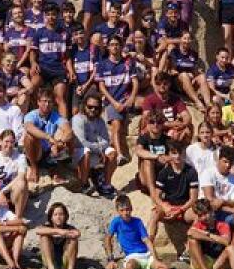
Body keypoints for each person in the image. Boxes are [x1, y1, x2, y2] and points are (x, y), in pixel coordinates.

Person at [105, 195, 182, 269]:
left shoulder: (137, 222)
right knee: (130, 266)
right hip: (132, 256)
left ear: (131, 208)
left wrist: (155, 259)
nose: (125, 213)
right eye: (122, 210)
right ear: (118, 211)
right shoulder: (116, 222)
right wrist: (110, 259)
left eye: (127, 209)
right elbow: (108, 239)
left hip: (145, 255)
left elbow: (147, 241)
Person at [95, 35, 138, 163]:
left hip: (127, 99)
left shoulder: (128, 63)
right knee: (116, 124)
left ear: (121, 46)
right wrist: (114, 103)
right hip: (112, 100)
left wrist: (131, 98)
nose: (115, 47)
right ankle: (119, 155)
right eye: (112, 44)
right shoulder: (102, 65)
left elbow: (135, 82)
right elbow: (101, 87)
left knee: (146, 105)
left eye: (117, 44)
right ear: (108, 47)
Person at [22, 89, 74, 184]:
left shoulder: (55, 116)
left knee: (65, 135)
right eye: (44, 101)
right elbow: (29, 127)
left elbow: (69, 131)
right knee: (29, 137)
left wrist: (59, 143)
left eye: (49, 102)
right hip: (36, 151)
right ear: (38, 102)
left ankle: (56, 168)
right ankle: (34, 168)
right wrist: (48, 137)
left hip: (49, 150)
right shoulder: (32, 115)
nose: (47, 104)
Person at [149, 146, 199, 245]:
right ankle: (149, 246)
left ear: (184, 154)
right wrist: (164, 206)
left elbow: (193, 198)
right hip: (169, 206)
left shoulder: (191, 171)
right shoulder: (164, 172)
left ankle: (188, 250)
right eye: (174, 153)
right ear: (170, 155)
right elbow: (156, 196)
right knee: (155, 214)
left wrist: (180, 210)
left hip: (184, 208)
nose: (178, 156)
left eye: (180, 153)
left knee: (198, 217)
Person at [71, 95, 118, 198]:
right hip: (79, 152)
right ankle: (84, 184)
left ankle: (106, 184)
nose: (93, 109)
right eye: (90, 106)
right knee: (86, 151)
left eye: (96, 108)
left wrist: (100, 149)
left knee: (112, 153)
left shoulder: (100, 121)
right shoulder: (78, 119)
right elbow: (81, 142)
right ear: (84, 106)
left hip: (95, 151)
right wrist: (99, 149)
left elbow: (106, 140)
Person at [0, 124, 30, 218]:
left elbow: (21, 176)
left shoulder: (20, 157)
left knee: (21, 183)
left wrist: (3, 191)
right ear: (0, 142)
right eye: (6, 141)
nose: (9, 145)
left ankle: (18, 218)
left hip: (13, 192)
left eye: (12, 142)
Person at [31, 3, 71, 116]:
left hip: (58, 70)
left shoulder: (64, 33)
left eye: (53, 14)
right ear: (44, 16)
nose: (51, 17)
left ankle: (64, 126)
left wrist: (70, 70)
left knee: (60, 98)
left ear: (57, 15)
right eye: (48, 14)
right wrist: (33, 63)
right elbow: (33, 52)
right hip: (43, 69)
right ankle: (37, 117)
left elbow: (67, 56)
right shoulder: (39, 32)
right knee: (32, 87)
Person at [36, 202, 81, 269]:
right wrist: (58, 231)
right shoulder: (47, 226)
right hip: (51, 260)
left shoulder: (68, 228)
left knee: (73, 239)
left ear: (65, 216)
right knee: (44, 236)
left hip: (65, 261)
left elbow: (77, 233)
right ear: (51, 217)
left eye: (61, 214)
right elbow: (38, 231)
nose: (58, 217)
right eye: (55, 214)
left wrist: (66, 233)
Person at [141, 72, 193, 147]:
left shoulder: (176, 99)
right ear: (155, 84)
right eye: (159, 83)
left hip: (172, 129)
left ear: (169, 84)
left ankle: (182, 154)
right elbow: (147, 119)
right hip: (156, 128)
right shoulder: (149, 99)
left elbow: (186, 116)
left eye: (165, 83)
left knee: (187, 129)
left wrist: (183, 124)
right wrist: (170, 124)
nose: (162, 86)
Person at [161, 34, 209, 111]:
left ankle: (208, 103)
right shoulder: (175, 52)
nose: (186, 41)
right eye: (185, 38)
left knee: (202, 76)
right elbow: (172, 70)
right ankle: (197, 102)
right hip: (177, 82)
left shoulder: (194, 54)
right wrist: (186, 75)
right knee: (184, 75)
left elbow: (194, 70)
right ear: (180, 39)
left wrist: (194, 75)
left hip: (190, 80)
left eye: (189, 39)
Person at [135, 110, 173, 199]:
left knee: (171, 161)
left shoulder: (167, 140)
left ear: (162, 124)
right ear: (148, 124)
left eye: (159, 122)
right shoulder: (144, 138)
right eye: (152, 122)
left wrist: (167, 158)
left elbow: (175, 155)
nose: (155, 125)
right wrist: (157, 156)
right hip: (145, 179)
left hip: (161, 176)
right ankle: (153, 194)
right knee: (147, 160)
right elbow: (138, 151)